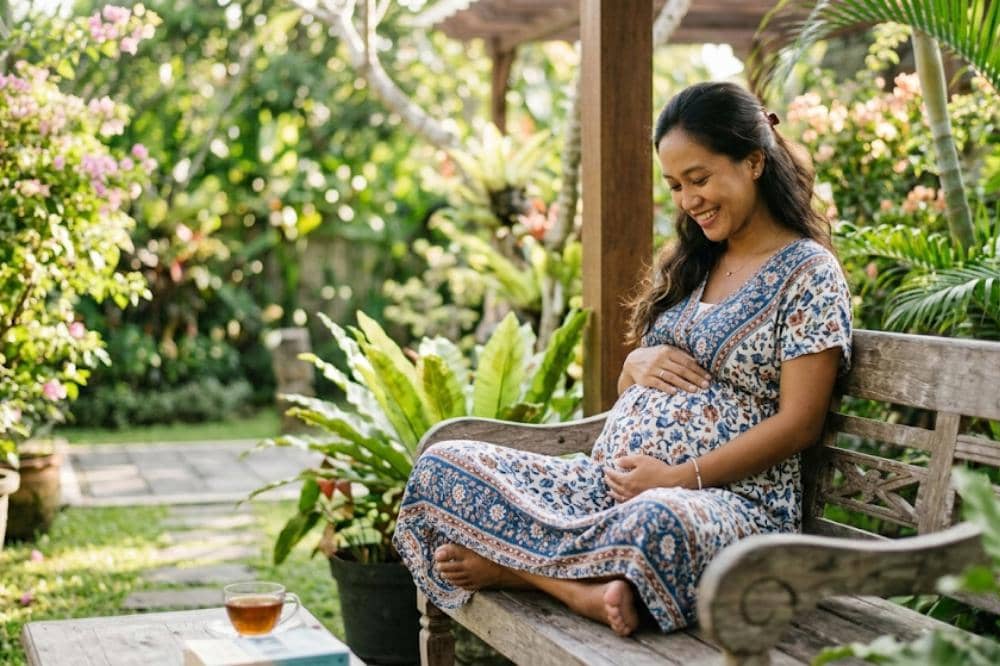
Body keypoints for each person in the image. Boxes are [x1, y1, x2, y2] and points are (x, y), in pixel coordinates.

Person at [393, 81, 852, 638]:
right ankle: (568, 581)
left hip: (729, 505)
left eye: (700, 179)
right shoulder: (695, 262)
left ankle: (520, 567)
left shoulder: (808, 273)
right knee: (445, 463)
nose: (688, 200)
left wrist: (681, 478)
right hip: (605, 484)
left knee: (659, 524)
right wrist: (634, 365)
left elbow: (800, 423)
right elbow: (629, 394)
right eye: (677, 185)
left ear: (754, 161)